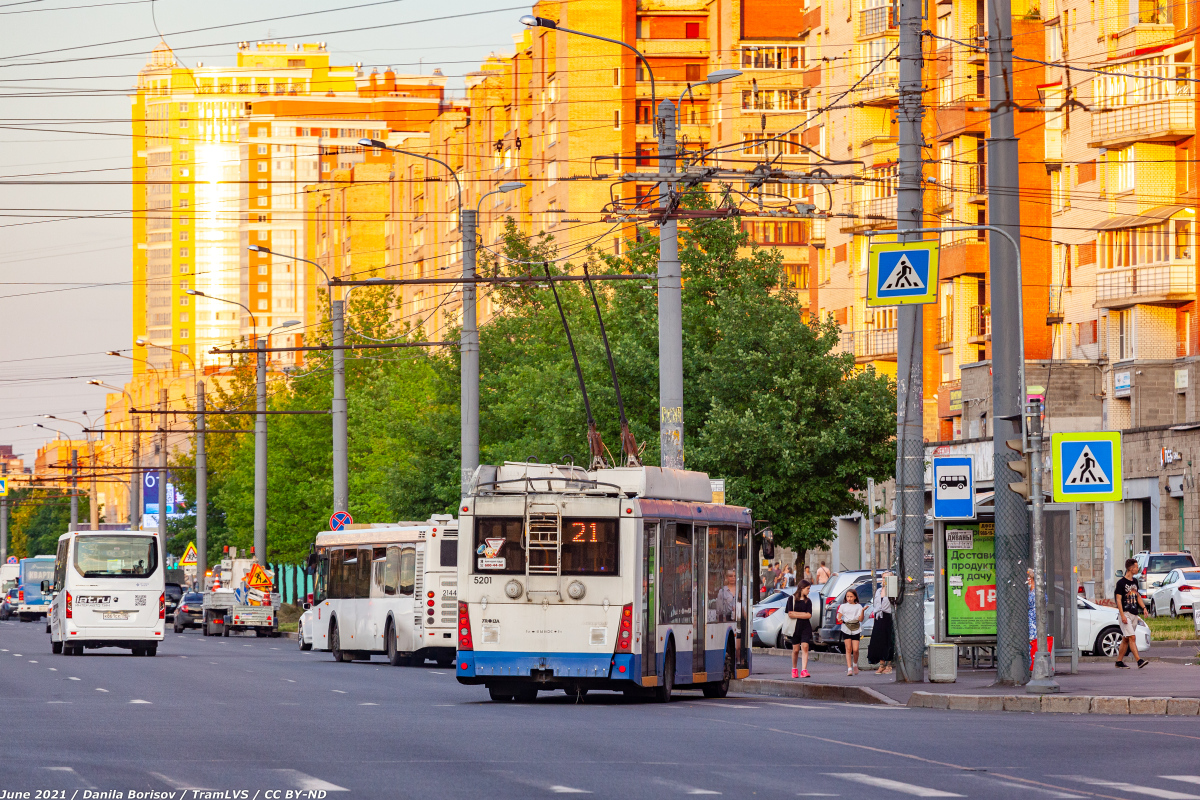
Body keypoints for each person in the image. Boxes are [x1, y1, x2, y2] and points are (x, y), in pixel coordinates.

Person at [1114, 558, 1149, 669]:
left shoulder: (1134, 581)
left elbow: (1137, 596)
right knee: (1132, 637)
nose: (1138, 568)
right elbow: (1118, 600)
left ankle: (1119, 662)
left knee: (1126, 638)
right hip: (1125, 613)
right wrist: (1122, 615)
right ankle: (1139, 661)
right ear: (1130, 568)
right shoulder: (1121, 583)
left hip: (1134, 614)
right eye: (1136, 567)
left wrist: (1143, 607)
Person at [786, 580, 814, 678]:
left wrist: (796, 614)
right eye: (808, 589)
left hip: (805, 627)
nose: (809, 591)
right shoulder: (792, 599)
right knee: (796, 649)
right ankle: (794, 668)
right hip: (795, 627)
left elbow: (809, 615)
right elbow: (790, 614)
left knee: (805, 647)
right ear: (802, 588)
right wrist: (803, 614)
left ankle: (804, 670)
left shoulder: (808, 601)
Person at [867, 575, 894, 674]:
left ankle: (889, 665)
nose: (884, 580)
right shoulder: (878, 591)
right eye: (883, 577)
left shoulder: (892, 589)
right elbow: (876, 604)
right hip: (879, 617)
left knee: (889, 640)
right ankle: (881, 664)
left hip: (888, 617)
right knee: (878, 641)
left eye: (887, 578)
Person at [837, 588, 865, 676]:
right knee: (848, 648)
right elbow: (839, 615)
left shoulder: (858, 606)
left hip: (856, 627)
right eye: (848, 596)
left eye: (851, 596)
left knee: (855, 649)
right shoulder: (843, 606)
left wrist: (863, 611)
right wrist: (839, 618)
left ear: (855, 597)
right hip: (846, 627)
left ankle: (855, 664)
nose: (849, 598)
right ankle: (849, 668)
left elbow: (860, 619)